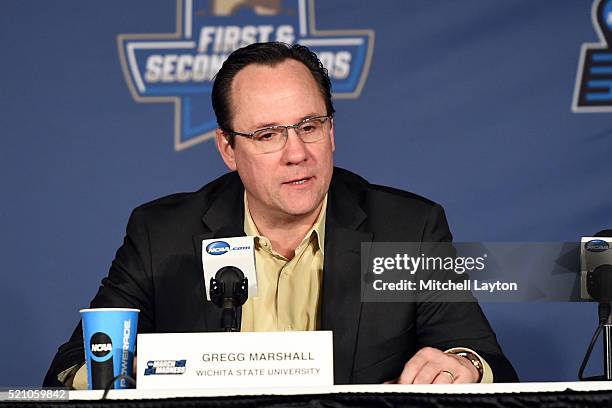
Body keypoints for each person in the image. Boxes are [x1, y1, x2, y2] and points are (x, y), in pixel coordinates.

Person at [44, 42, 517, 388]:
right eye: (268, 134)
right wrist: (117, 378)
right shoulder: (163, 234)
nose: (297, 153)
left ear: (332, 132)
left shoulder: (407, 229)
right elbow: (72, 365)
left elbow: (481, 356)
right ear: (227, 148)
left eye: (310, 127)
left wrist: (465, 367)